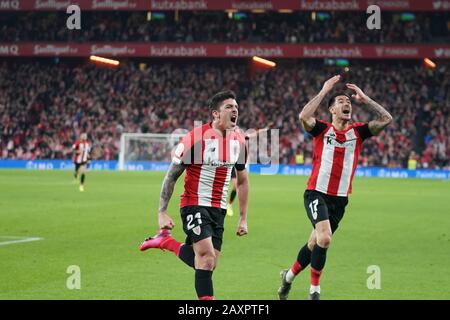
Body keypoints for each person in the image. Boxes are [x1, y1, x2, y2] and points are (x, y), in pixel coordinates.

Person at [278, 75, 393, 300]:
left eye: (348, 102)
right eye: (340, 101)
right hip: (316, 193)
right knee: (325, 238)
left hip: (340, 199)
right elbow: (303, 116)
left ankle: (288, 278)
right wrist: (324, 90)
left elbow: (386, 118)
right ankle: (315, 291)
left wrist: (365, 99)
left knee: (315, 242)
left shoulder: (358, 132)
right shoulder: (322, 129)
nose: (346, 103)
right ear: (331, 109)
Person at [139, 90, 250, 300]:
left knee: (207, 263)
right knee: (206, 259)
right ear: (215, 114)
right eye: (229, 107)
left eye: (236, 107)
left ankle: (165, 242)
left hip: (218, 209)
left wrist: (243, 218)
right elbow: (171, 176)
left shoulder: (240, 142)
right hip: (193, 203)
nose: (235, 110)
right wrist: (161, 212)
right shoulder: (195, 139)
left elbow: (243, 181)